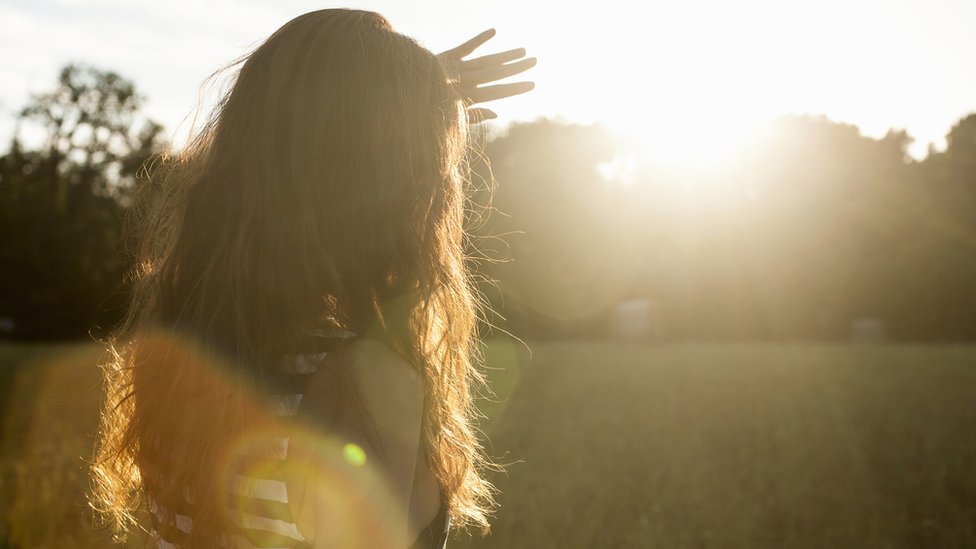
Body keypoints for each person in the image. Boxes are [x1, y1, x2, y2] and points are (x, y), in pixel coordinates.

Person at [90, 9, 535, 548]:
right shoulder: (365, 380)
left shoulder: (182, 347)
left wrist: (384, 97)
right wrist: (399, 104)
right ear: (401, 189)